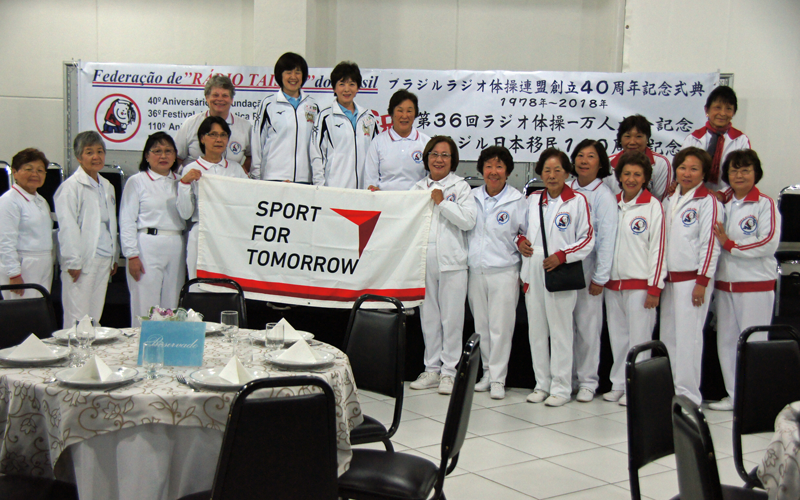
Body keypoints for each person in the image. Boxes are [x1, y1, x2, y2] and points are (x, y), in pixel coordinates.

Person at [519, 148, 594, 407]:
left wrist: (563, 255)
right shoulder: (531, 199)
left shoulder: (577, 201)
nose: (551, 175)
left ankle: (561, 387)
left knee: (560, 331)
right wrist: (520, 241)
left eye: (557, 170)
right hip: (533, 268)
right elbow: (517, 229)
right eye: (547, 170)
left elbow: (587, 239)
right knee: (536, 330)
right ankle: (542, 383)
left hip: (560, 270)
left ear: (567, 173)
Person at [708, 150, 780, 411]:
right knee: (726, 341)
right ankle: (734, 395)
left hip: (755, 285)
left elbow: (768, 242)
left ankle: (755, 400)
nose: (739, 175)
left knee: (754, 343)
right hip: (725, 284)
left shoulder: (765, 204)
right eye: (734, 170)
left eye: (745, 170)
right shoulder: (721, 202)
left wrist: (731, 244)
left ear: (755, 173)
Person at [409, 136, 477, 395]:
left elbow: (469, 221)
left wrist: (443, 202)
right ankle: (431, 369)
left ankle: (450, 371)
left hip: (453, 263)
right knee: (429, 318)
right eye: (434, 154)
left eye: (445, 155)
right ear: (427, 158)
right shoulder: (416, 188)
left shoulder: (460, 187)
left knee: (452, 319)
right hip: (424, 263)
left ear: (453, 160)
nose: (439, 159)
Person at [603, 151, 667, 406]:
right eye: (626, 174)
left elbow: (658, 249)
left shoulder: (653, 206)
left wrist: (655, 286)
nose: (631, 179)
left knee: (639, 338)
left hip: (640, 284)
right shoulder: (612, 203)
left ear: (646, 178)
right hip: (613, 284)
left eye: (637, 174)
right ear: (618, 177)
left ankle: (637, 387)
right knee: (618, 336)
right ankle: (619, 383)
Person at [660, 147, 721, 405]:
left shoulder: (708, 202)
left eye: (694, 168)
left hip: (693, 281)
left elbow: (711, 244)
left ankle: (688, 396)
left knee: (689, 339)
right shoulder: (669, 200)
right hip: (669, 281)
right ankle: (670, 390)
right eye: (683, 167)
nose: (687, 173)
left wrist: (702, 282)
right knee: (669, 338)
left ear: (704, 173)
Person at [467, 146, 527, 400]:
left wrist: (521, 241)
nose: (493, 172)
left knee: (501, 327)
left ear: (507, 171)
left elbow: (525, 233)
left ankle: (499, 378)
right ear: (482, 169)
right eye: (489, 166)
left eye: (499, 166)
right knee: (481, 326)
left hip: (504, 270)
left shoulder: (517, 200)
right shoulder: (471, 196)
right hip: (475, 270)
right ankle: (487, 373)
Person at [567, 140, 617, 403]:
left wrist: (600, 276)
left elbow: (607, 239)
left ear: (601, 163)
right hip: (563, 269)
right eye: (580, 155)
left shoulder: (603, 195)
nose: (584, 161)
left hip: (589, 271)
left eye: (591, 156)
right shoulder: (565, 188)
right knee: (566, 327)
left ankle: (588, 381)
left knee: (587, 327)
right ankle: (568, 378)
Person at [119, 132, 186, 327]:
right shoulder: (137, 181)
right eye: (157, 151)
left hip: (176, 243)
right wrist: (131, 255)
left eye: (168, 151)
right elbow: (127, 220)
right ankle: (141, 349)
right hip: (147, 244)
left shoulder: (181, 182)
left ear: (175, 156)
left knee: (172, 304)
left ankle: (168, 349)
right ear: (147, 156)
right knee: (145, 304)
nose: (163, 156)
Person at [55, 131, 119, 328]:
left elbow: (111, 224)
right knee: (77, 317)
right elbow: (67, 226)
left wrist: (114, 257)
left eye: (100, 151)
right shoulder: (71, 187)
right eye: (89, 152)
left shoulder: (107, 186)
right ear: (78, 157)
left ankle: (91, 356)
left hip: (103, 257)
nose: (96, 157)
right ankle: (74, 357)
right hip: (82, 260)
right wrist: (72, 260)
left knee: (94, 316)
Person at [177, 116, 249, 281]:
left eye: (223, 135)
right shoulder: (191, 168)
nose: (218, 139)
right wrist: (184, 184)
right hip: (201, 231)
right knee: (198, 284)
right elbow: (185, 213)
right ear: (202, 138)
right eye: (213, 134)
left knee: (227, 284)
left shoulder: (235, 169)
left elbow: (248, 201)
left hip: (228, 234)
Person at [250, 52, 318, 183]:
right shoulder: (268, 104)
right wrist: (256, 177)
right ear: (280, 75)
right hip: (274, 177)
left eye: (298, 72)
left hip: (304, 180)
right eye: (288, 71)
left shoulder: (313, 106)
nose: (293, 77)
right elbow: (257, 142)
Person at [310, 61, 379, 189]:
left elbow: (376, 154)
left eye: (352, 84)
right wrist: (320, 187)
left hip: (365, 190)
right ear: (334, 88)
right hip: (335, 189)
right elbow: (316, 155)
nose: (347, 89)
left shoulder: (368, 118)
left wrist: (373, 184)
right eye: (342, 84)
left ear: (358, 87)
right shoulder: (325, 117)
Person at [0, 148, 54, 299]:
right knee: (20, 317)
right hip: (23, 266)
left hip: (43, 263)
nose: (35, 174)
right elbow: (5, 241)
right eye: (28, 169)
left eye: (40, 170)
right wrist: (14, 273)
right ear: (15, 172)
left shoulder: (41, 201)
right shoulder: (9, 201)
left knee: (38, 315)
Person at [174, 75, 252, 173]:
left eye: (225, 95)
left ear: (232, 100)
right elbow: (177, 158)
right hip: (195, 183)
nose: (220, 99)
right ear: (207, 98)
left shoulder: (245, 127)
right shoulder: (190, 124)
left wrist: (241, 172)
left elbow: (251, 156)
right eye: (215, 95)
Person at [681, 86, 750, 193]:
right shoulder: (693, 138)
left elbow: (744, 176)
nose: (722, 113)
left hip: (729, 198)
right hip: (695, 196)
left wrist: (723, 195)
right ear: (706, 110)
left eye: (728, 109)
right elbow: (682, 171)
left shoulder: (740, 140)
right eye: (717, 107)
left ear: (733, 112)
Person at [364, 89, 430, 191]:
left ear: (415, 113)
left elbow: (431, 178)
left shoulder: (426, 142)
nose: (404, 116)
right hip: (385, 202)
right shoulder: (378, 142)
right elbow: (370, 180)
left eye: (409, 111)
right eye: (400, 110)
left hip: (417, 203)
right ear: (391, 113)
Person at [604, 114, 672, 200]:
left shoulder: (661, 163)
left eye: (638, 136)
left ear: (647, 138)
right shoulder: (608, 163)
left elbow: (663, 198)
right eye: (627, 136)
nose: (632, 142)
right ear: (620, 139)